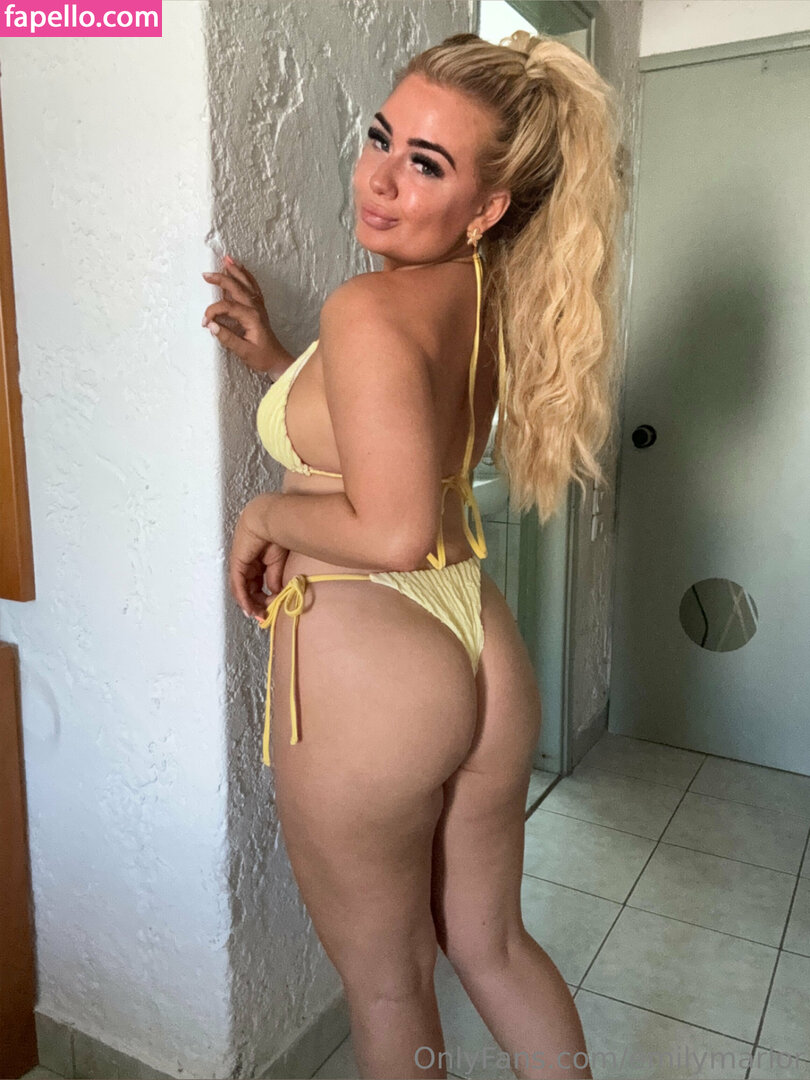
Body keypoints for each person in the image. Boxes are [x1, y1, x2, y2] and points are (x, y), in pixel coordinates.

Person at [203, 30, 623, 1080]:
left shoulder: (366, 307)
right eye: (381, 137)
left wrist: (266, 516)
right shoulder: (485, 297)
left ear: (486, 206)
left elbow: (388, 529)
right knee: (492, 945)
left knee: (390, 985)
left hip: (371, 653)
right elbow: (387, 427)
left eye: (426, 164)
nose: (380, 177)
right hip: (479, 644)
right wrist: (278, 360)